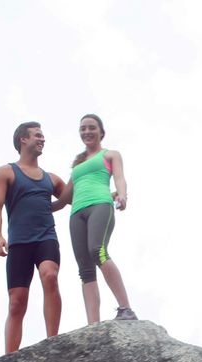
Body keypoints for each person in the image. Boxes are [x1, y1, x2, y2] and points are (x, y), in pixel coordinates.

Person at [0, 121, 68, 352]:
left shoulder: (51, 179)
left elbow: (71, 198)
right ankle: (9, 358)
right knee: (16, 302)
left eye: (42, 136)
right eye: (37, 135)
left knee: (50, 275)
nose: (42, 139)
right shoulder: (6, 172)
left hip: (46, 238)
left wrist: (100, 188)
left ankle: (53, 342)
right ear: (23, 139)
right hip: (19, 243)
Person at [60, 113, 138, 323]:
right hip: (76, 213)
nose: (87, 131)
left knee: (98, 250)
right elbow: (63, 198)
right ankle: (93, 324)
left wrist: (121, 195)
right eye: (83, 128)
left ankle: (126, 309)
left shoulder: (110, 154)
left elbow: (120, 178)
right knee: (85, 269)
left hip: (100, 205)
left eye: (91, 127)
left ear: (101, 132)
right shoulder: (77, 167)